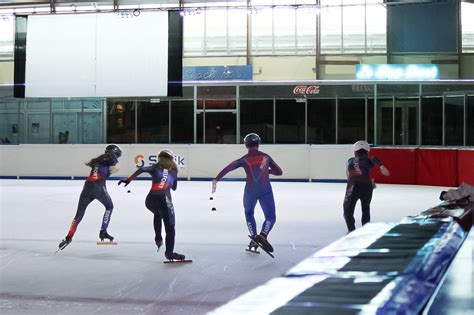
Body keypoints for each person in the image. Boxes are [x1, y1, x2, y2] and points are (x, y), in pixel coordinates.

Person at [212, 133, 283, 253]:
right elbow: (279, 172)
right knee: (271, 217)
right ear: (258, 144)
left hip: (250, 191)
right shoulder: (266, 157)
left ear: (246, 145)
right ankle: (263, 234)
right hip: (265, 190)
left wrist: (216, 179)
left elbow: (228, 167)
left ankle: (254, 236)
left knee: (249, 213)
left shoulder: (243, 159)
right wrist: (267, 171)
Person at [118, 149, 185, 261]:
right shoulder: (174, 170)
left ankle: (158, 238)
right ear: (171, 160)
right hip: (164, 199)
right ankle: (169, 252)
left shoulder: (154, 167)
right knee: (170, 228)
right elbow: (174, 188)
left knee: (157, 213)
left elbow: (141, 169)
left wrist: (129, 179)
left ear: (160, 159)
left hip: (150, 200)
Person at [58, 144, 122, 250]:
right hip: (99, 188)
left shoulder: (96, 161)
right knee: (109, 207)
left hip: (87, 188)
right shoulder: (111, 158)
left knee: (78, 215)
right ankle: (103, 231)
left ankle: (68, 238)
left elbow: (103, 170)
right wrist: (114, 163)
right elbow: (113, 162)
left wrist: (110, 171)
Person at [343, 140, 390, 233]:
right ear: (367, 151)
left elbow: (349, 174)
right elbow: (374, 159)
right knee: (365, 208)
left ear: (354, 151)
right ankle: (365, 231)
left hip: (354, 185)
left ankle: (351, 232)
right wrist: (381, 166)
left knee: (348, 211)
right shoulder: (368, 160)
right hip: (367, 186)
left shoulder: (350, 160)